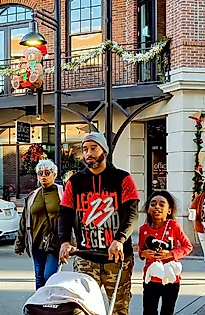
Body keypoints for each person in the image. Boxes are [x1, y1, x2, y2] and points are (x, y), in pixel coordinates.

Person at [58, 132, 140, 315]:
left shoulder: (123, 178)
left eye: (93, 148)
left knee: (119, 308)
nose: (88, 153)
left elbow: (132, 214)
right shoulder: (74, 182)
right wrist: (64, 241)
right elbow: (64, 214)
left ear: (104, 151)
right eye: (85, 149)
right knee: (83, 308)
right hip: (85, 256)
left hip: (117, 258)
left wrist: (120, 239)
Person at [139, 190, 193, 315]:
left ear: (169, 210)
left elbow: (187, 246)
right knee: (149, 311)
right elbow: (141, 251)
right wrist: (144, 254)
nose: (157, 207)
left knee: (167, 311)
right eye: (153, 204)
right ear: (148, 209)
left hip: (170, 279)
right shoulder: (144, 229)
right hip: (151, 279)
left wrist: (171, 254)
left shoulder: (173, 226)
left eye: (162, 204)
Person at [15, 159, 64, 289]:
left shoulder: (62, 193)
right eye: (40, 173)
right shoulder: (33, 196)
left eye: (47, 173)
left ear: (54, 174)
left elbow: (72, 218)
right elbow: (24, 220)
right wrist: (19, 244)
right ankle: (40, 306)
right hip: (36, 242)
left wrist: (71, 242)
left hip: (55, 243)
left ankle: (51, 305)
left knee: (50, 276)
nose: (43, 176)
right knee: (39, 278)